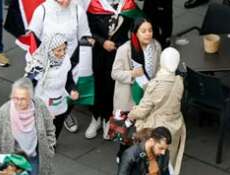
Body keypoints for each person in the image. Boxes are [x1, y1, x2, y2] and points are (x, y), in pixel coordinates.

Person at [129, 48, 186, 175]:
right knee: (169, 160)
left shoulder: (156, 84)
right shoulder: (179, 81)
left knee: (152, 162)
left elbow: (143, 110)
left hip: (156, 127)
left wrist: (132, 114)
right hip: (174, 125)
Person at [83, 0, 133, 139]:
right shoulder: (94, 5)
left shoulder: (128, 5)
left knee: (111, 87)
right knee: (97, 84)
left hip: (117, 54)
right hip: (98, 53)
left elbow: (132, 30)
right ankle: (95, 118)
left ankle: (107, 119)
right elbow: (87, 29)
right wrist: (102, 42)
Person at [25, 36, 78, 138]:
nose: (62, 53)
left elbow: (69, 79)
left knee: (57, 126)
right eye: (58, 50)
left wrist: (72, 90)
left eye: (64, 49)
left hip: (59, 102)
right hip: (42, 102)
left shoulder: (65, 61)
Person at [110, 19, 160, 120]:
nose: (148, 34)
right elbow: (114, 73)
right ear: (135, 33)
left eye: (150, 30)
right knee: (124, 128)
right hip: (128, 97)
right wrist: (132, 73)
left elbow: (158, 68)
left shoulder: (156, 46)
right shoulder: (124, 49)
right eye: (143, 31)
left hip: (147, 95)